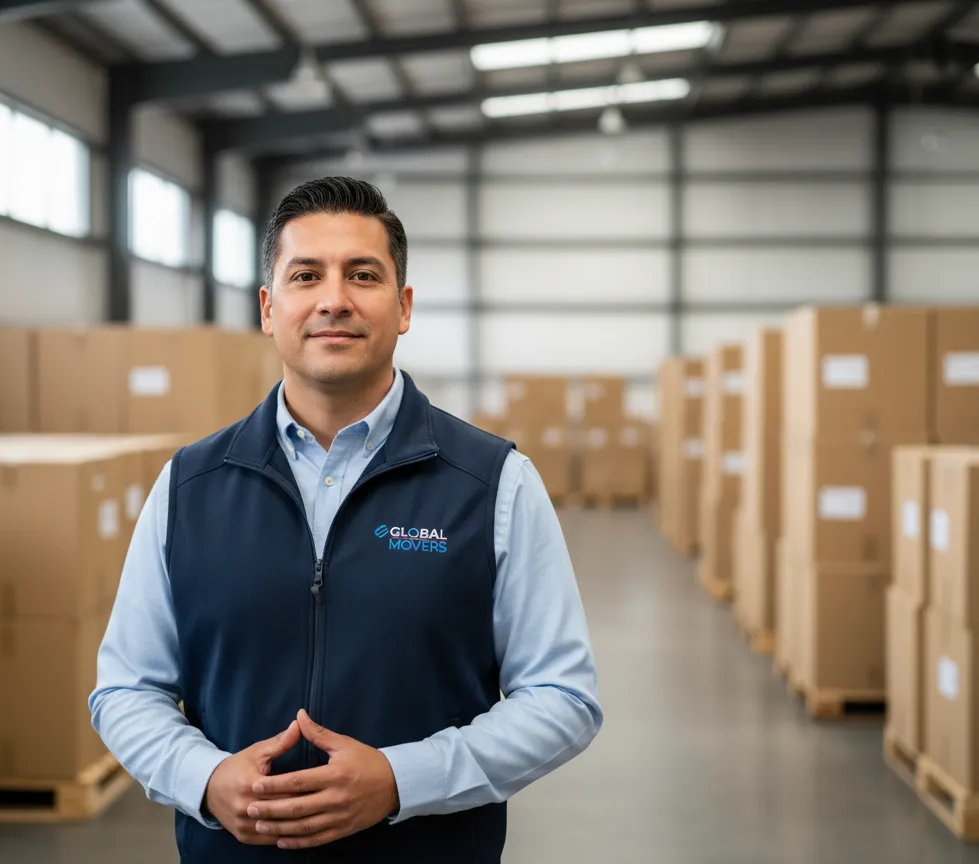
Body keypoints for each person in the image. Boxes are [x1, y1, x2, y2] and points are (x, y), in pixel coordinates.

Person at [90, 176, 602, 863]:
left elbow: (563, 696)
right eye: (307, 275)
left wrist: (401, 780)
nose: (334, 299)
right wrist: (204, 778)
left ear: (403, 306)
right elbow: (127, 686)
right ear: (270, 309)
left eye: (363, 274)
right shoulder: (190, 486)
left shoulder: (492, 484)